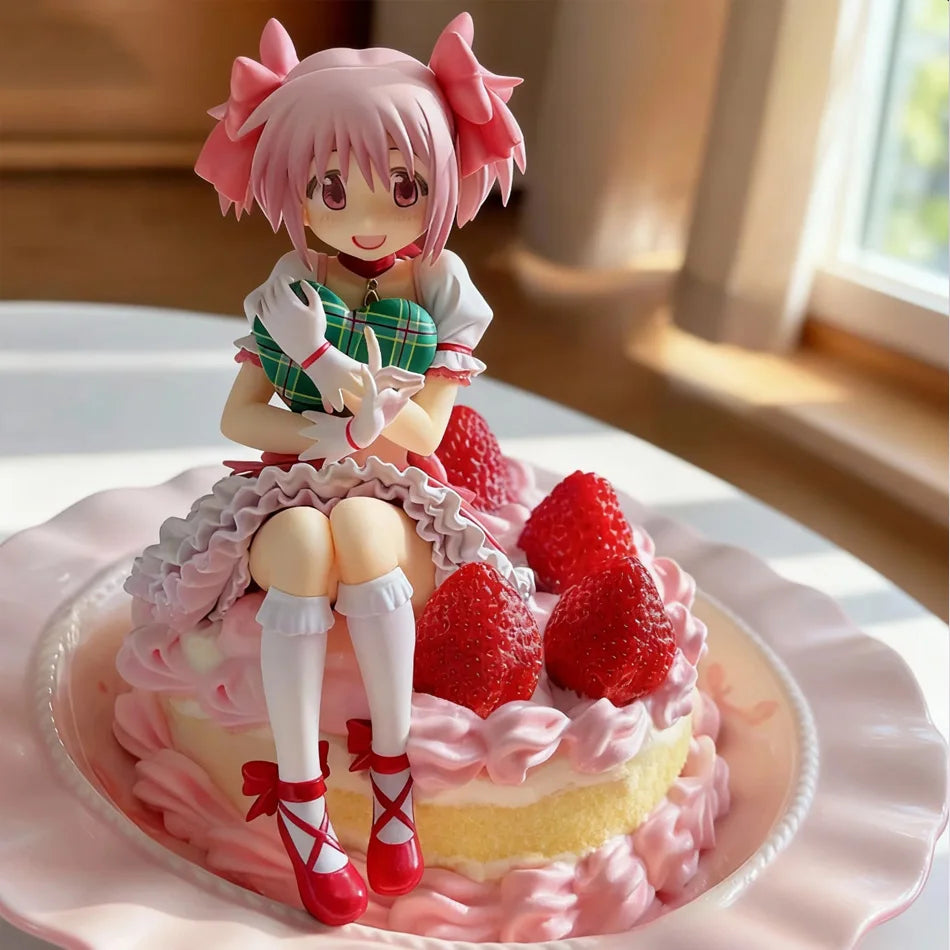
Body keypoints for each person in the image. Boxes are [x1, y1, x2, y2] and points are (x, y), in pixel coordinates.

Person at [126, 13, 527, 926]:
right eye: (330, 189)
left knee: (359, 528)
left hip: (395, 493)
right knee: (307, 543)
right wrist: (321, 393)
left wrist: (344, 385)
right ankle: (303, 803)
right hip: (289, 487)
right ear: (294, 192)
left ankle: (392, 777)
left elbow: (425, 434)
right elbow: (238, 417)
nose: (367, 220)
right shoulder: (289, 291)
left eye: (404, 187)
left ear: (442, 183)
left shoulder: (439, 292)